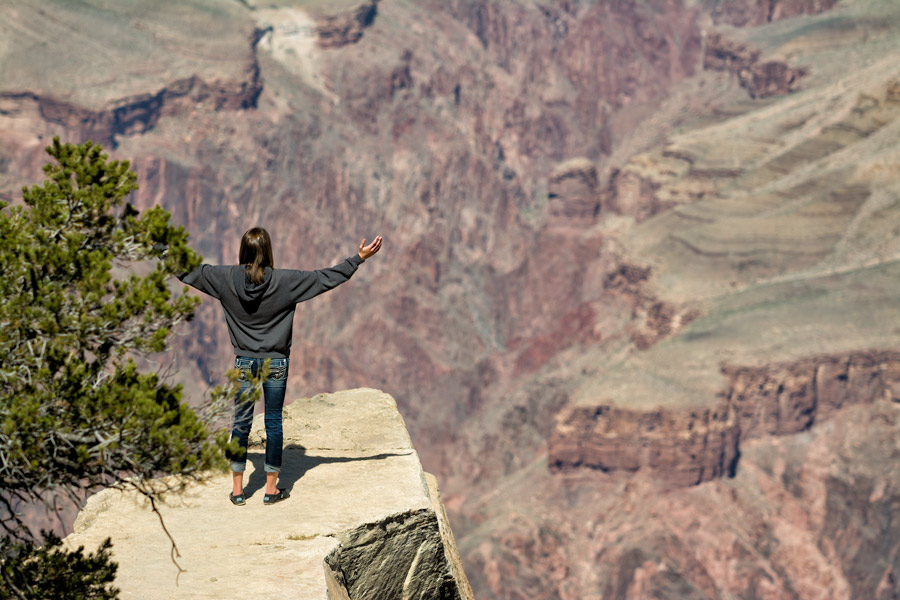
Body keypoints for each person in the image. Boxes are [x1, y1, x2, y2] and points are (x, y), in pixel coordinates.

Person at [176, 227, 383, 505]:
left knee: (241, 423)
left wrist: (160, 249)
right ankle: (270, 490)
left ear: (243, 252)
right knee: (273, 422)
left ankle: (238, 491)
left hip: (244, 361)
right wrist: (358, 258)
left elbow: (188, 271)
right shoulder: (285, 281)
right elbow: (325, 279)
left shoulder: (224, 278)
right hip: (276, 362)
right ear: (268, 251)